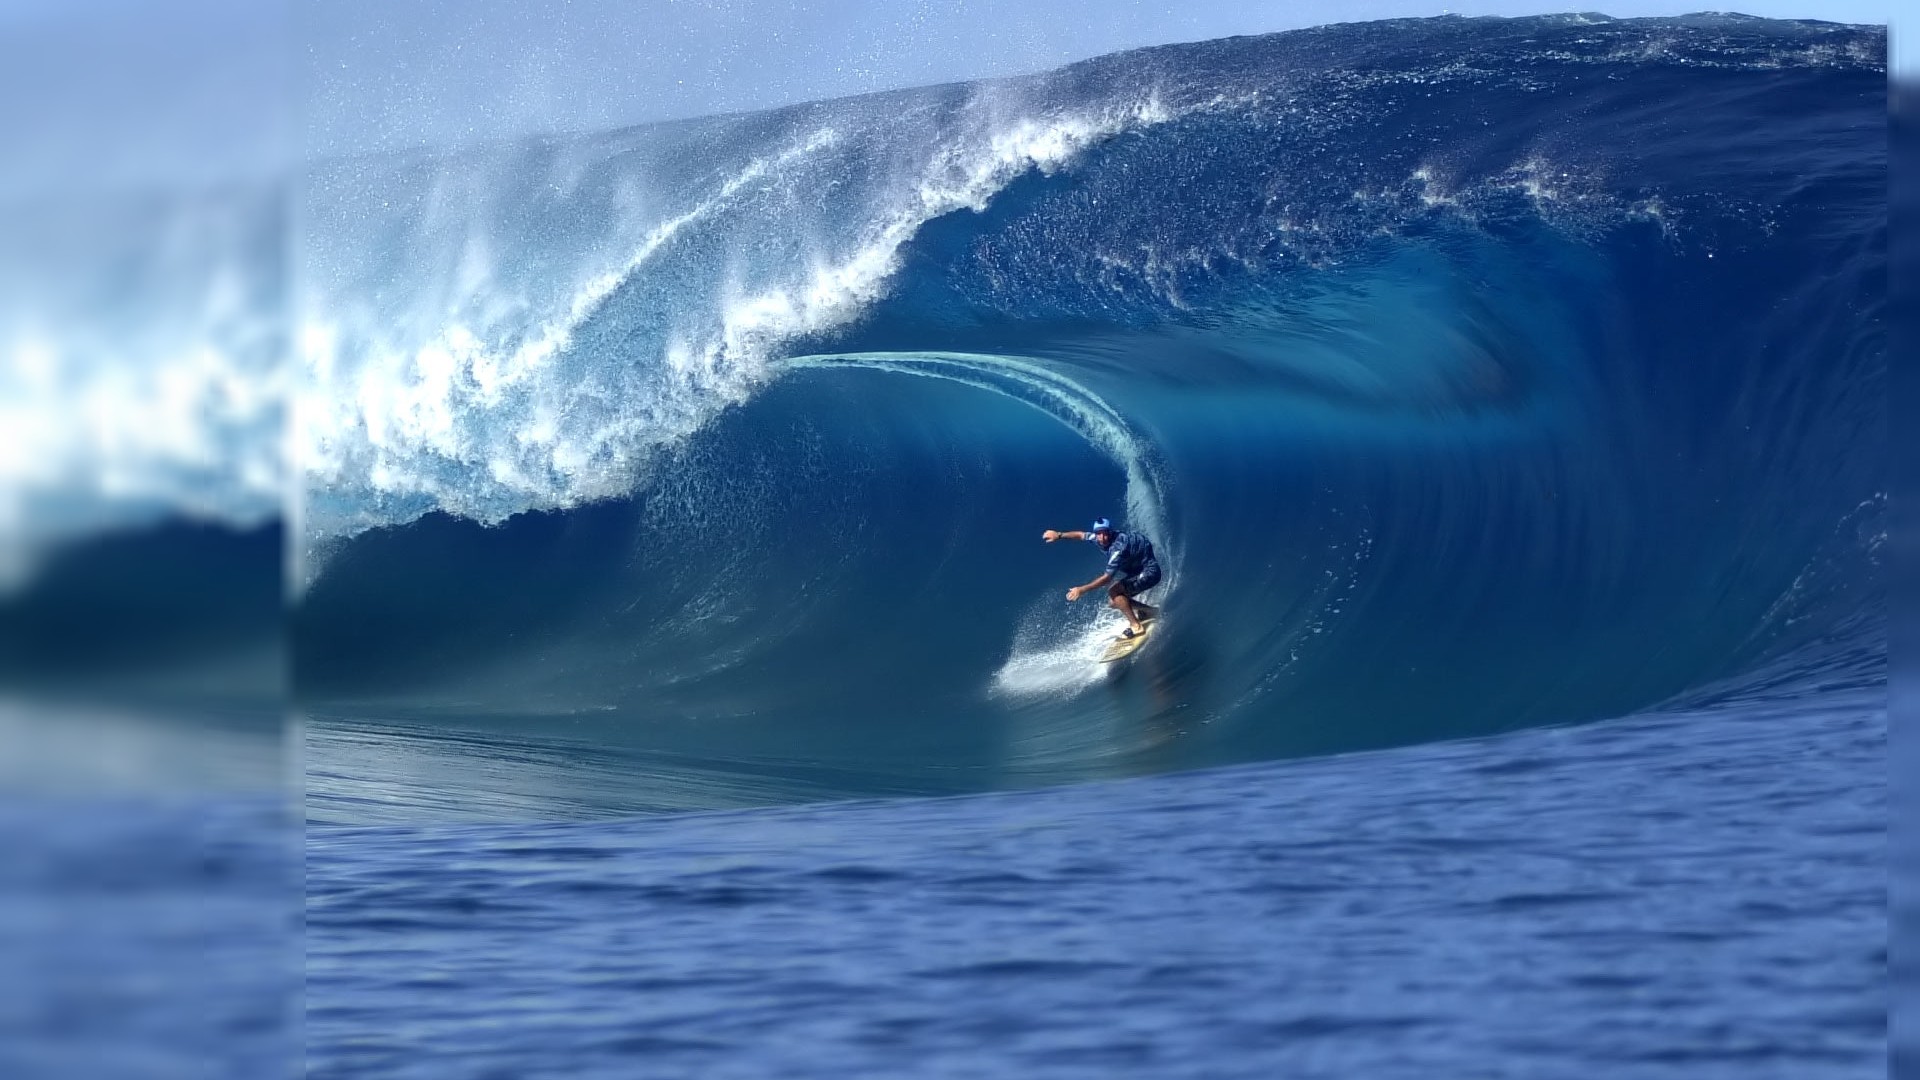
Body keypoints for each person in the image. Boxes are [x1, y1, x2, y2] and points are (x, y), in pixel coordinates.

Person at [1041, 517, 1162, 639]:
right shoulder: (1098, 539)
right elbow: (1081, 535)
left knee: (1114, 591)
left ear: (1110, 532)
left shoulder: (1118, 548)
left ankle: (1136, 627)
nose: (1102, 538)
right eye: (1099, 534)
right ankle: (1149, 611)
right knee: (1115, 602)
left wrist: (1082, 589)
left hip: (1149, 572)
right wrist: (1060, 535)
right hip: (1137, 570)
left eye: (1105, 533)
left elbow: (1107, 578)